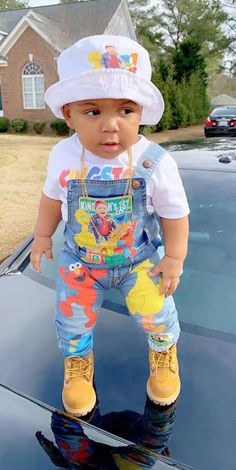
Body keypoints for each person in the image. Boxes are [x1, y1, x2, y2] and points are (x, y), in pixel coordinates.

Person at [30, 35, 189, 417]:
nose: (110, 126)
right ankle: (78, 367)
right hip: (80, 262)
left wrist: (175, 258)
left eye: (125, 111)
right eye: (92, 112)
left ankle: (164, 352)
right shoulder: (63, 155)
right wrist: (41, 235)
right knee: (71, 316)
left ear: (141, 113)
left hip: (138, 259)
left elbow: (174, 212)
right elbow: (52, 198)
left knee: (156, 311)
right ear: (68, 113)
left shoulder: (155, 161)